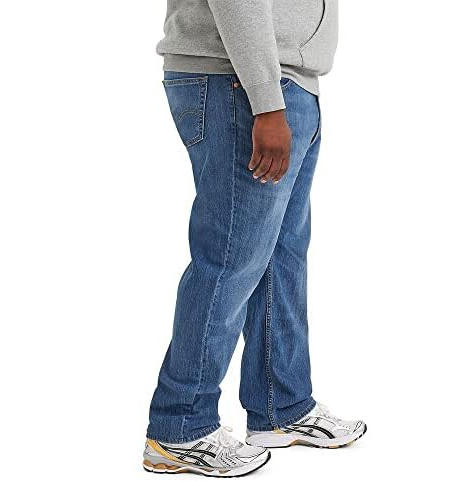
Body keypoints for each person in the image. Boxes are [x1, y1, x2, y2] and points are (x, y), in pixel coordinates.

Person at [143, 1, 365, 476]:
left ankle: (280, 406)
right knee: (229, 258)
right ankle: (180, 427)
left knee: (280, 257)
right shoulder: (257, 90)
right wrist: (266, 99)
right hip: (241, 82)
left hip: (280, 81)